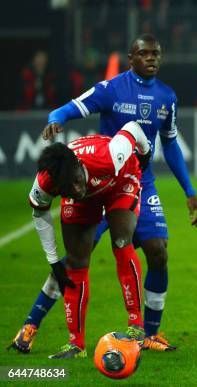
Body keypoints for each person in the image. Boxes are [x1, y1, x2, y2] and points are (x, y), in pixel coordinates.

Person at [9, 33, 197, 354]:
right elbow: (67, 109)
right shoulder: (111, 89)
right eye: (145, 54)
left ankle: (149, 333)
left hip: (135, 179)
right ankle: (31, 326)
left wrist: (190, 191)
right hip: (94, 177)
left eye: (157, 54)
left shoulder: (167, 97)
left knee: (157, 250)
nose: (152, 59)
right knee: (73, 262)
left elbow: (169, 143)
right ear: (131, 58)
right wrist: (56, 120)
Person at [26, 122, 151, 358]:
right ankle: (76, 345)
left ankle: (136, 326)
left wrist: (144, 154)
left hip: (120, 181)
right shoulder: (46, 183)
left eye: (75, 180)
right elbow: (40, 214)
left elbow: (133, 128)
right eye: (67, 188)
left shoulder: (109, 155)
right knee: (75, 264)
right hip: (87, 203)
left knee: (122, 241)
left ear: (78, 165)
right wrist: (53, 260)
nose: (75, 189)